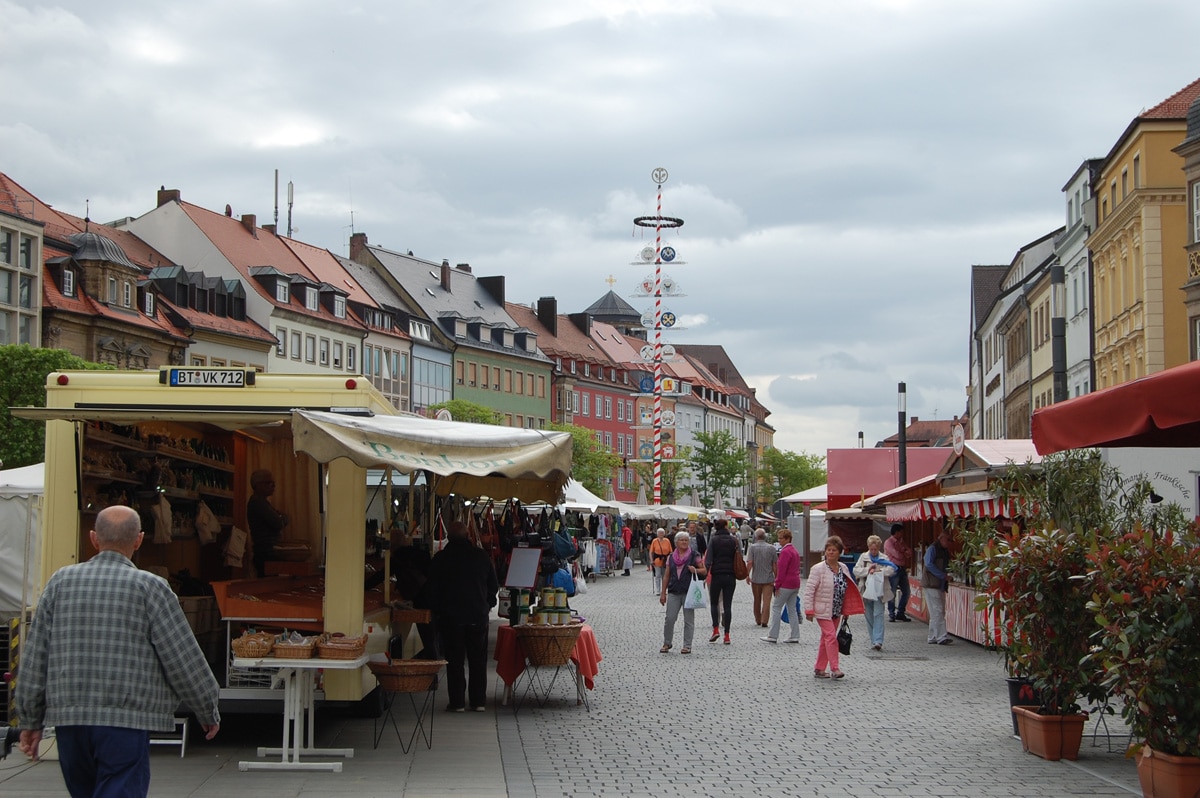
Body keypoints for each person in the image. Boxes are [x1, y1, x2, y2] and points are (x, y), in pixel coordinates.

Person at [15, 505, 220, 796]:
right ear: (139, 540)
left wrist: (29, 719)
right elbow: (182, 657)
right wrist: (206, 707)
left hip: (70, 719)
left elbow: (36, 656)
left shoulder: (60, 583)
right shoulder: (151, 588)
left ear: (93, 538)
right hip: (125, 720)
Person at [429, 520, 499, 711]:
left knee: (455, 661)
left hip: (451, 617)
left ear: (448, 538)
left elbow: (432, 588)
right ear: (468, 535)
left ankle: (458, 702)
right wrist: (488, 604)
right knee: (478, 660)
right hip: (477, 615)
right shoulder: (481, 556)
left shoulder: (441, 559)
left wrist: (438, 610)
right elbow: (493, 585)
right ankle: (478, 701)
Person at [802, 535, 863, 679]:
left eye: (833, 550)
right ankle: (835, 668)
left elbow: (847, 590)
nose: (830, 553)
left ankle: (819, 668)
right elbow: (809, 590)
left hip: (836, 609)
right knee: (830, 637)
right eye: (828, 550)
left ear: (839, 552)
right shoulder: (818, 569)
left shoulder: (843, 568)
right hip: (822, 609)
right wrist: (809, 610)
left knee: (826, 638)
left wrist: (847, 609)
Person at [659, 531, 707, 654]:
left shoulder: (694, 555)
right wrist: (663, 593)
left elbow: (704, 571)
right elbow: (666, 576)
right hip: (674, 590)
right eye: (682, 540)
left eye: (686, 540)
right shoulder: (671, 557)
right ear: (676, 543)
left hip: (688, 591)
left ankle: (687, 645)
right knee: (669, 618)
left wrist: (695, 569)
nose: (684, 542)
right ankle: (667, 643)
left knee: (688, 620)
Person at [854, 534, 897, 651]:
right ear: (868, 547)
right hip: (866, 590)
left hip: (879, 590)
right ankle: (873, 639)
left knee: (878, 614)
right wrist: (868, 570)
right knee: (869, 615)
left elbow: (891, 569)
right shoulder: (864, 557)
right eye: (871, 549)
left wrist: (880, 571)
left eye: (876, 549)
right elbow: (856, 570)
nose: (873, 551)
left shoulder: (884, 558)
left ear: (879, 548)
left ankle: (878, 641)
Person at [762, 527, 803, 643]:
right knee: (792, 609)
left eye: (781, 538)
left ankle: (773, 635)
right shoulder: (794, 551)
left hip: (785, 584)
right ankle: (795, 635)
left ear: (787, 539)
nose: (779, 541)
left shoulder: (785, 552)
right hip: (795, 583)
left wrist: (777, 585)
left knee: (776, 608)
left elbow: (781, 570)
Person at [247, 468, 288, 577]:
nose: (273, 486)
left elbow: (281, 519)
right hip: (265, 553)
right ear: (258, 485)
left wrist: (281, 517)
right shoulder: (258, 502)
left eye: (273, 483)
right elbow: (278, 522)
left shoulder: (263, 502)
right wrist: (281, 517)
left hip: (267, 553)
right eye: (269, 482)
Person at [705, 518, 739, 644]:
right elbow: (738, 555)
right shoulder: (734, 540)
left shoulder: (713, 540)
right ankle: (727, 635)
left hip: (717, 575)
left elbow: (708, 559)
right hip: (730, 575)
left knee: (714, 603)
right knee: (727, 605)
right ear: (725, 526)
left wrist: (705, 573)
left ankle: (715, 629)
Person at [924, 529, 954, 645]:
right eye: (948, 539)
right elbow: (928, 564)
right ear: (941, 538)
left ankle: (932, 636)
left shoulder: (943, 550)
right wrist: (942, 575)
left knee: (935, 611)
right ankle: (941, 636)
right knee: (938, 610)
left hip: (938, 585)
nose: (949, 542)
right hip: (932, 584)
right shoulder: (933, 548)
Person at [746, 528, 777, 627]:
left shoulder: (752, 548)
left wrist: (747, 575)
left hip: (756, 578)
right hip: (768, 578)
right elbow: (774, 564)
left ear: (756, 536)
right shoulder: (771, 548)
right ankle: (765, 620)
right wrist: (776, 577)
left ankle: (758, 619)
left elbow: (750, 562)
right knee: (767, 601)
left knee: (757, 599)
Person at [884, 522, 913, 622]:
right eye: (901, 532)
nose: (902, 534)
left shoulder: (901, 542)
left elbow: (909, 552)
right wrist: (903, 552)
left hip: (902, 568)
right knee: (892, 592)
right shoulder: (889, 542)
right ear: (896, 532)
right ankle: (891, 613)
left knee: (906, 592)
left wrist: (904, 551)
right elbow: (897, 554)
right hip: (893, 568)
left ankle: (901, 612)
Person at [649, 527, 673, 594]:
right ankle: (658, 590)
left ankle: (664, 589)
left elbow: (671, 552)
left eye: (662, 533)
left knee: (665, 576)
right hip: (657, 561)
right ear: (657, 534)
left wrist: (670, 560)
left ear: (664, 534)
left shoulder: (667, 541)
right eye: (659, 533)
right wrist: (651, 560)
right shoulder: (654, 541)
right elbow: (651, 552)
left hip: (665, 561)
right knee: (657, 575)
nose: (661, 534)